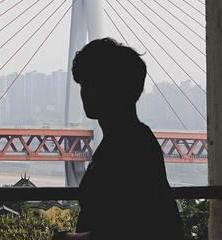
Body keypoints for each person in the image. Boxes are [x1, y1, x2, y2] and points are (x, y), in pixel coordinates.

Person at [53, 38, 183, 240]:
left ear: (116, 89)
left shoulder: (129, 146)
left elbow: (130, 228)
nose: (85, 93)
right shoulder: (131, 139)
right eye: (84, 85)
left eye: (93, 84)